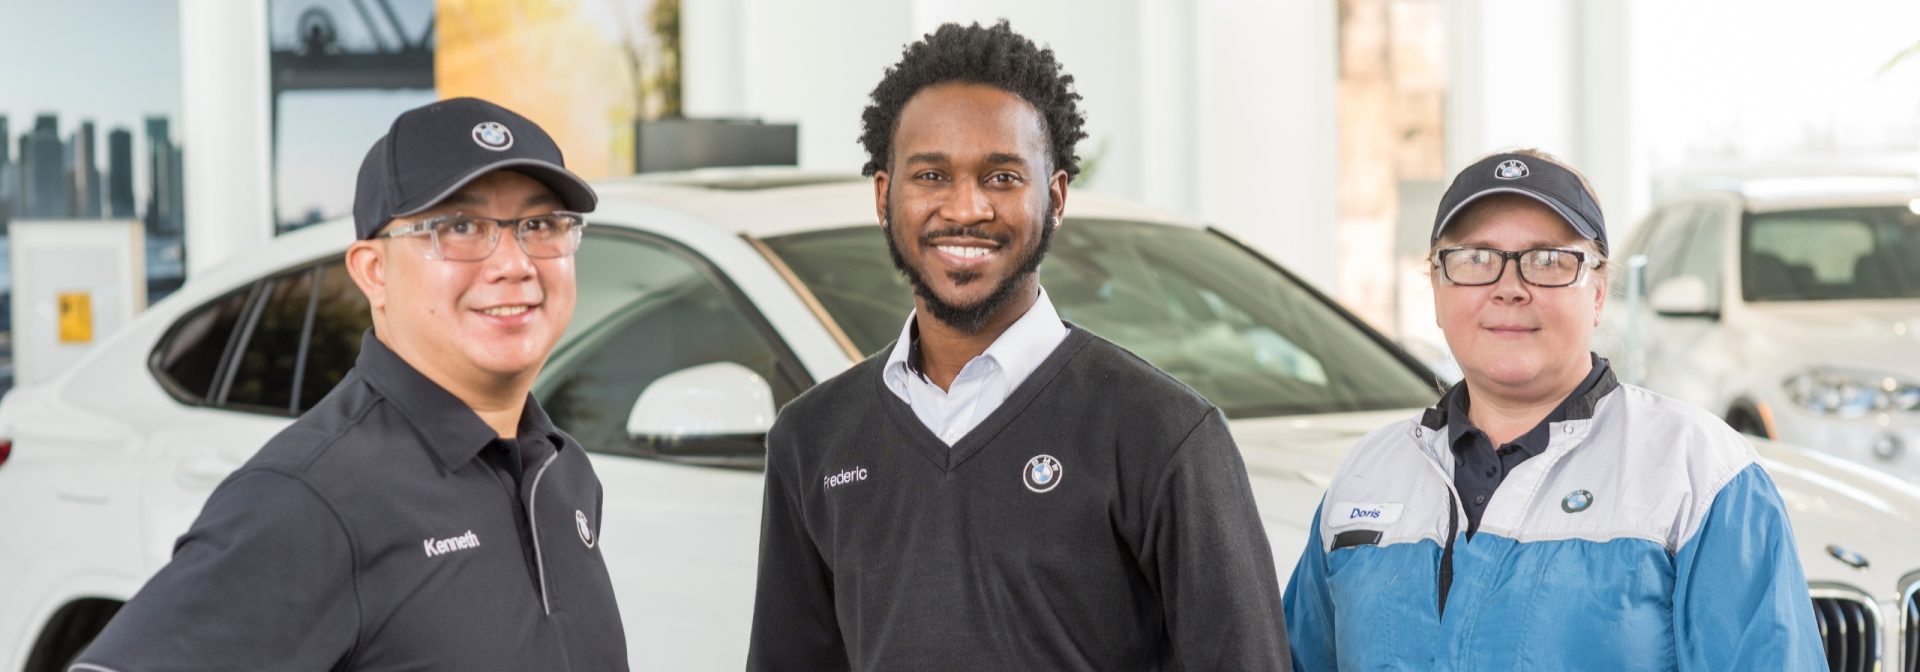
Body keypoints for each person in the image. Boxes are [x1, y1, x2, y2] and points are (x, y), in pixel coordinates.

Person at [745, 21, 1291, 671]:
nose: (966, 207)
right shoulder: (813, 438)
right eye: (931, 176)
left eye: (1001, 177)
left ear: (1055, 198)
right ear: (886, 197)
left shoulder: (1165, 434)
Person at [72, 97, 628, 671]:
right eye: (460, 227)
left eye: (539, 225)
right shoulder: (309, 499)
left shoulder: (562, 472)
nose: (514, 263)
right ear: (373, 271)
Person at [1282, 149, 1826, 670]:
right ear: (1437, 289)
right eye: (1475, 259)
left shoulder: (1698, 472)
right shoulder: (1366, 477)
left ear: (1598, 291)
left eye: (1548, 261)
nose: (1509, 288)